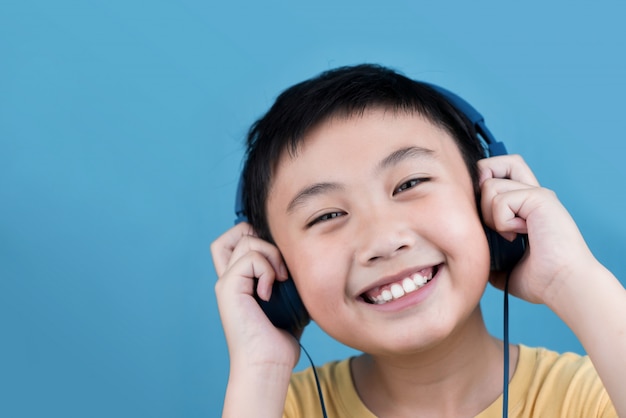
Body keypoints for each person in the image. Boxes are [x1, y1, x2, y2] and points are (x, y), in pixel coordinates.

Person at [211, 64, 625, 417]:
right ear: (279, 270)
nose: (385, 240)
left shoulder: (594, 392)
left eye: (410, 183)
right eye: (328, 215)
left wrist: (571, 278)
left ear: (488, 197)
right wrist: (259, 369)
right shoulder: (271, 406)